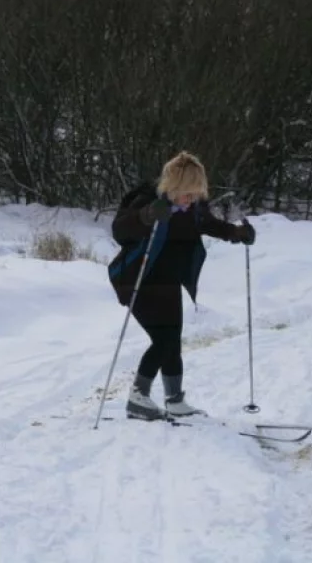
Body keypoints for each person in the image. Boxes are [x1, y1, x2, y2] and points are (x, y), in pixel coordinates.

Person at [107, 151, 256, 420]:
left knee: (173, 339)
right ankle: (138, 397)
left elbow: (210, 225)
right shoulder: (149, 199)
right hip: (138, 280)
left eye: (196, 193)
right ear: (173, 186)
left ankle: (174, 399)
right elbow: (120, 230)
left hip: (168, 281)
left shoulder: (192, 209)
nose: (192, 199)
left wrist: (237, 233)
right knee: (163, 339)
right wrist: (146, 215)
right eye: (188, 192)